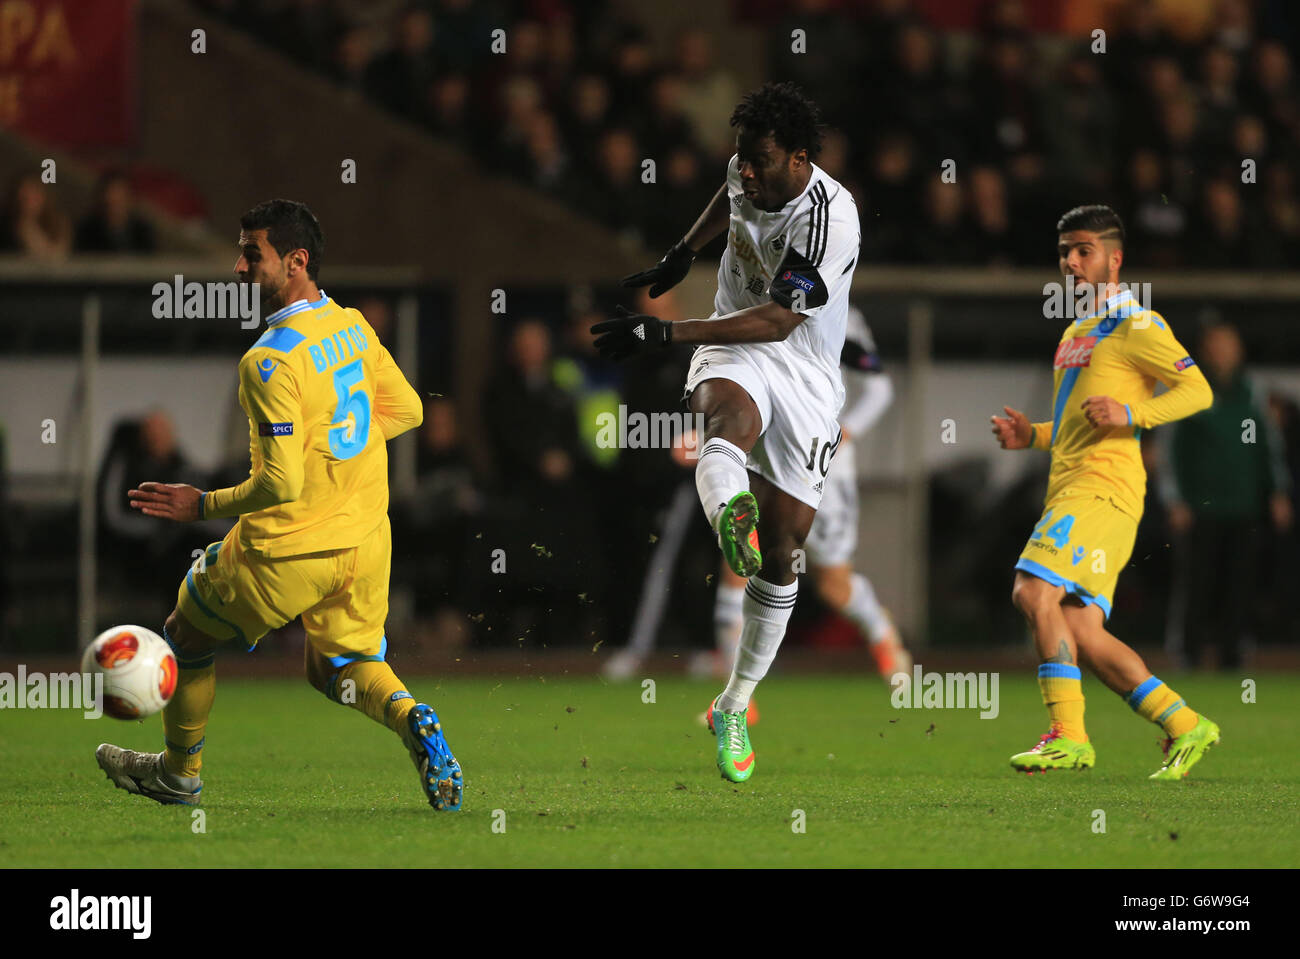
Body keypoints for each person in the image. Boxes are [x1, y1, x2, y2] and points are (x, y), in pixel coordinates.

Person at [94, 199, 463, 811]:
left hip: (287, 549)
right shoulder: (350, 324)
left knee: (186, 633)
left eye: (251, 253)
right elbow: (410, 411)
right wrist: (336, 461)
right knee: (336, 668)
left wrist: (200, 504)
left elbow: (281, 487)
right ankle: (409, 715)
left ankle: (180, 772)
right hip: (366, 540)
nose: (238, 267)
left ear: (295, 261)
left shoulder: (267, 361)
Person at [593, 82, 861, 783]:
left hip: (801, 364)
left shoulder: (832, 221)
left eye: (760, 160)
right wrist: (683, 251)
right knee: (727, 419)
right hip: (733, 349)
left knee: (784, 551)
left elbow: (779, 320)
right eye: (739, 157)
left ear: (798, 159)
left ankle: (734, 703)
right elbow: (728, 198)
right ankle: (727, 510)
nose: (744, 171)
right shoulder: (748, 168)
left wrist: (664, 332)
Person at [991, 204, 1218, 781]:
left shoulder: (1138, 325)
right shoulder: (1076, 331)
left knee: (1031, 589)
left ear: (1115, 260)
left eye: (1084, 249)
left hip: (1103, 489)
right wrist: (1033, 435)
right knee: (1083, 633)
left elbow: (1197, 391)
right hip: (1075, 489)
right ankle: (1185, 723)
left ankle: (1068, 736)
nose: (1070, 261)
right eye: (1065, 250)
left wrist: (1132, 411)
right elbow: (1077, 422)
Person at [709, 306, 910, 714]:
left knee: (833, 584)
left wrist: (844, 432)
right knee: (739, 560)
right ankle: (738, 700)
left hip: (823, 466)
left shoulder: (836, 312)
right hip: (765, 454)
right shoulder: (749, 297)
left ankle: (882, 634)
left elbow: (879, 388)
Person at [1164, 321, 1292, 669]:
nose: (1222, 352)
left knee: (1240, 583)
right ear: (1204, 350)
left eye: (1228, 344)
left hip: (1243, 503)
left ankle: (1233, 655)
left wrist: (1277, 491)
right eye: (1216, 345)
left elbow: (1269, 447)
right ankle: (1187, 654)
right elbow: (1170, 449)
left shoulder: (1252, 392)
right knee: (1197, 583)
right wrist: (1174, 497)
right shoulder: (1190, 389)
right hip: (1199, 506)